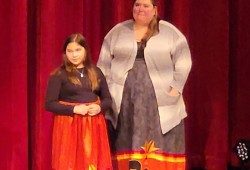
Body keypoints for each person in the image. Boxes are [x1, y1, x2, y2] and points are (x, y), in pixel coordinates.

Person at [97, 0, 192, 169]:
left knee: (158, 140)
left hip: (159, 103)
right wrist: (107, 91)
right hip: (125, 104)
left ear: (155, 10)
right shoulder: (117, 32)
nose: (140, 9)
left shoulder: (170, 33)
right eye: (137, 5)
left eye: (145, 5)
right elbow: (103, 65)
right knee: (126, 138)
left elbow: (184, 61)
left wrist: (175, 89)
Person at [45, 33, 113, 170]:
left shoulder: (96, 71)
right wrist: (74, 109)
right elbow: (49, 103)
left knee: (92, 161)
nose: (74, 55)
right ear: (65, 53)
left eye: (78, 50)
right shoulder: (59, 75)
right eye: (70, 51)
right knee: (70, 163)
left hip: (93, 125)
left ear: (85, 51)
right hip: (69, 126)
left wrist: (99, 107)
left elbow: (107, 99)